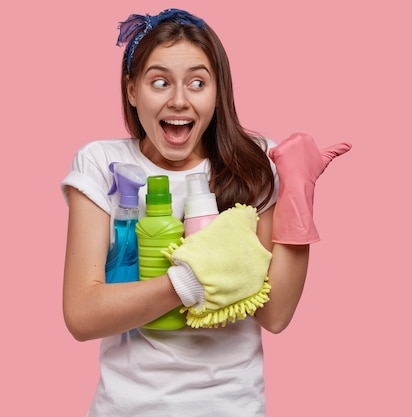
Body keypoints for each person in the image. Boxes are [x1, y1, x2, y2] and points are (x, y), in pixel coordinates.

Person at [60, 8, 351, 417]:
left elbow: (277, 313)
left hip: (232, 406)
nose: (179, 99)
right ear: (131, 90)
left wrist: (298, 192)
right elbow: (82, 314)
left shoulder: (253, 162)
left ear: (218, 92)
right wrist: (188, 282)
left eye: (198, 83)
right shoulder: (102, 162)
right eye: (159, 82)